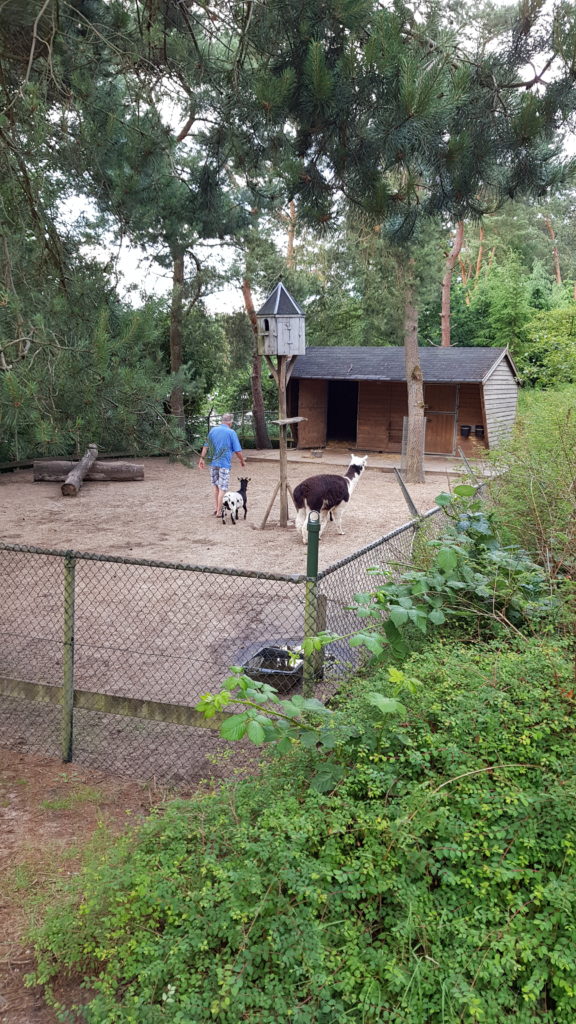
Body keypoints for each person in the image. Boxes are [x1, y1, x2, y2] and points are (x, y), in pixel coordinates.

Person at [198, 413, 246, 517]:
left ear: (222, 421)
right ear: (230, 422)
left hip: (213, 462)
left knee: (215, 486)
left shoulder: (213, 430)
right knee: (222, 488)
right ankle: (219, 512)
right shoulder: (231, 432)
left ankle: (216, 509)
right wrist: (242, 460)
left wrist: (201, 458)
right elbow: (238, 451)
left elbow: (206, 446)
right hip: (224, 464)